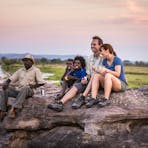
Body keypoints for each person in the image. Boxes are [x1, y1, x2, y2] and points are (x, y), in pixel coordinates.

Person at [0, 54, 45, 120]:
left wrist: (34, 86)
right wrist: (6, 83)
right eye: (24, 61)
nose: (25, 62)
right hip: (19, 91)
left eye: (27, 61)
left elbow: (41, 83)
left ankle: (14, 109)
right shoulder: (20, 70)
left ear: (32, 62)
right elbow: (12, 78)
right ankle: (3, 110)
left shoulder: (36, 70)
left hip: (29, 90)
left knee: (25, 88)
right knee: (4, 89)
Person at [87, 43, 127, 108]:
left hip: (120, 83)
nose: (101, 55)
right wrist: (97, 70)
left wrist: (107, 71)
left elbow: (117, 74)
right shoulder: (104, 61)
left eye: (102, 52)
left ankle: (106, 99)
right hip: (110, 83)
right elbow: (103, 73)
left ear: (107, 50)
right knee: (96, 75)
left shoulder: (117, 60)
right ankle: (93, 98)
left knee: (108, 75)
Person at [71, 36, 103, 108]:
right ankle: (61, 102)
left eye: (94, 44)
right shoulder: (89, 58)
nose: (92, 46)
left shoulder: (104, 57)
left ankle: (83, 97)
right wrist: (85, 79)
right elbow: (88, 74)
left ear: (100, 45)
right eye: (91, 44)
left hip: (101, 82)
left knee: (95, 75)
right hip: (90, 82)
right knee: (78, 85)